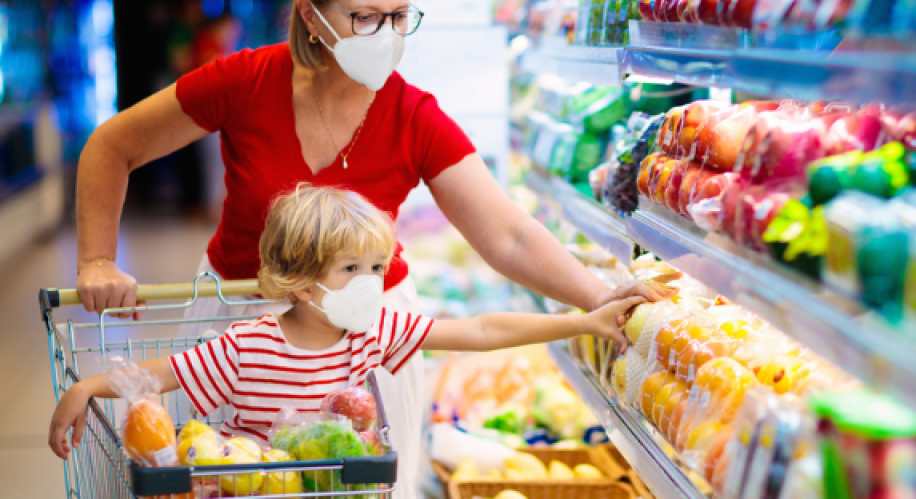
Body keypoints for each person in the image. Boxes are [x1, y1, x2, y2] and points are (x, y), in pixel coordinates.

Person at [70, 0, 662, 498]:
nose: (388, 34)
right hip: (240, 331)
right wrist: (96, 258)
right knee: (227, 478)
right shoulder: (245, 81)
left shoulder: (413, 115)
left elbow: (505, 235)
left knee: (359, 488)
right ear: (311, 15)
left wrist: (598, 298)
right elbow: (113, 146)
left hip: (364, 338)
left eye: (400, 17)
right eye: (365, 17)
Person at [49, 185, 642, 463]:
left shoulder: (373, 332)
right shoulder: (246, 347)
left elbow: (481, 331)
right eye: (352, 268)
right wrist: (85, 387)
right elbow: (160, 375)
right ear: (302, 283)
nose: (372, 282)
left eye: (378, 267)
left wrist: (581, 321)